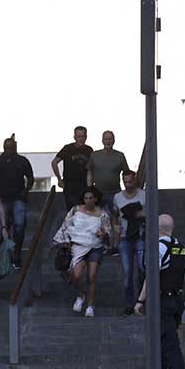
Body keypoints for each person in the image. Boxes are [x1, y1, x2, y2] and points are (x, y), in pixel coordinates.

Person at [133, 214, 185, 369]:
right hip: (176, 301)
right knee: (163, 346)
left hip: (162, 302)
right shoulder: (182, 250)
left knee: (170, 348)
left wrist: (140, 301)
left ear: (157, 228)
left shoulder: (158, 247)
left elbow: (151, 277)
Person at [52, 187, 112, 317]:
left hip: (95, 248)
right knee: (76, 275)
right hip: (78, 247)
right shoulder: (75, 211)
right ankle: (80, 295)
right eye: (86, 198)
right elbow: (65, 226)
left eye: (91, 198)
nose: (88, 200)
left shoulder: (102, 214)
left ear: (95, 199)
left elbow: (108, 231)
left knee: (91, 276)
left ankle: (90, 306)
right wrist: (65, 241)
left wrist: (103, 234)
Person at [0, 134, 35, 269]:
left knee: (19, 227)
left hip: (18, 198)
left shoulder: (22, 160)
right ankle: (9, 253)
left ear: (16, 147)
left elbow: (30, 177)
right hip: (0, 199)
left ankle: (17, 255)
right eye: (7, 147)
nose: (10, 150)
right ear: (3, 147)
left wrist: (26, 191)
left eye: (12, 147)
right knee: (1, 232)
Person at [88, 131, 130, 244]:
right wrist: (89, 189)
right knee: (96, 219)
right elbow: (90, 172)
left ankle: (115, 245)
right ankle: (97, 243)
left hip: (115, 192)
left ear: (114, 140)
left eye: (110, 139)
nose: (108, 141)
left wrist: (127, 190)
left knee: (116, 219)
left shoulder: (120, 155)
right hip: (98, 193)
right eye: (106, 139)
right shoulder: (94, 155)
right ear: (102, 140)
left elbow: (126, 173)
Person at [115, 170, 147, 314]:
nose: (128, 184)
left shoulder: (144, 195)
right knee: (127, 273)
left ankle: (141, 301)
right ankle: (130, 303)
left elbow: (150, 213)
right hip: (124, 237)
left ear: (135, 181)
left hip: (140, 235)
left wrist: (137, 214)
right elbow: (114, 215)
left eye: (130, 181)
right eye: (125, 182)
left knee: (142, 269)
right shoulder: (117, 197)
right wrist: (115, 226)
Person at [52, 125, 94, 211]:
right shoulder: (68, 148)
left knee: (84, 211)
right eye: (79, 136)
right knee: (71, 210)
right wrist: (59, 180)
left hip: (83, 184)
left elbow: (91, 169)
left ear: (86, 137)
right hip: (69, 184)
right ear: (74, 137)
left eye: (83, 136)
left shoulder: (89, 150)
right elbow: (54, 163)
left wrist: (90, 186)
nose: (81, 139)